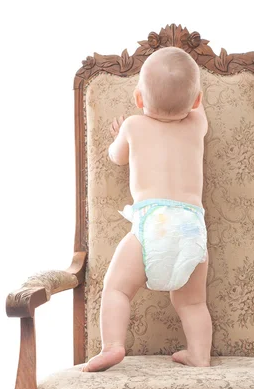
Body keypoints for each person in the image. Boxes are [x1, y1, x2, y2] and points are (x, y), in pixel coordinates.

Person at [82, 47, 212, 372]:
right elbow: (198, 106)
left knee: (116, 289)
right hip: (191, 228)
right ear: (195, 101)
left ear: (139, 99)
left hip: (152, 224)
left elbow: (116, 156)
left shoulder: (133, 126)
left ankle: (112, 345)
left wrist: (118, 137)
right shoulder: (197, 124)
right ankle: (200, 354)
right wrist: (191, 94)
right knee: (193, 302)